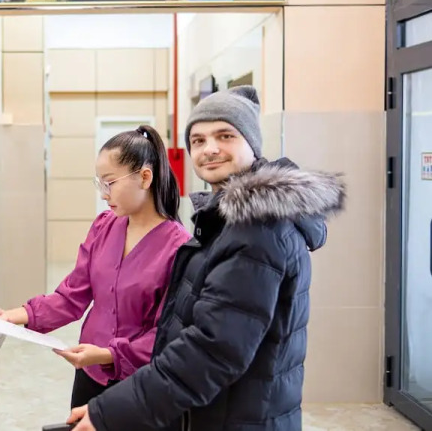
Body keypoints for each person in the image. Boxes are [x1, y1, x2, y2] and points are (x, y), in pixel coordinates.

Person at [68, 85, 347, 431]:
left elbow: (211, 350)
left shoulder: (258, 230)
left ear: (251, 142)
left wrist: (110, 411)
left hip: (241, 418)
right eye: (198, 140)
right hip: (219, 410)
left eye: (225, 135)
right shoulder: (226, 223)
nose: (210, 149)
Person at [0, 125, 192, 408]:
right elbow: (71, 296)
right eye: (99, 184)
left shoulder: (179, 247)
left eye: (110, 183)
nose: (103, 194)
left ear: (145, 177)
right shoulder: (104, 227)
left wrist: (109, 355)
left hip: (139, 382)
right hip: (90, 371)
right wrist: (10, 316)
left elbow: (167, 332)